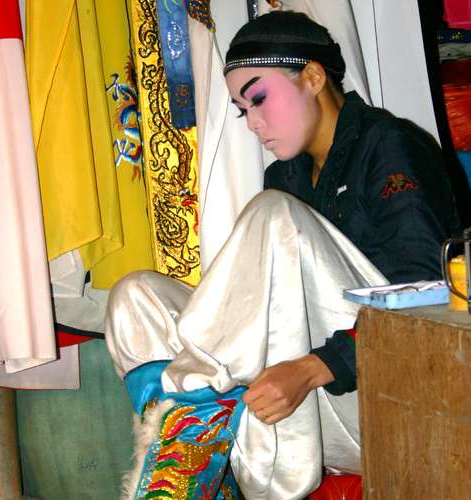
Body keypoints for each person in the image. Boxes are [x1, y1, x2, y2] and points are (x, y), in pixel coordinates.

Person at [105, 10, 459, 499]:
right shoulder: (285, 176)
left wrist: (313, 368)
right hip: (300, 416)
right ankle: (194, 455)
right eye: (242, 111)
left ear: (312, 76)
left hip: (387, 403)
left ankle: (185, 446)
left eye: (259, 99)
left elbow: (430, 297)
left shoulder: (389, 145)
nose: (253, 124)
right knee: (135, 295)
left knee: (274, 214)